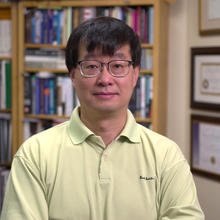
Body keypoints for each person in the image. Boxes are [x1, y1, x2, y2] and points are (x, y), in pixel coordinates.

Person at [1, 16, 204, 220]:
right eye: (91, 66)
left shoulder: (166, 155)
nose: (105, 79)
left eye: (117, 66)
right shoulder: (35, 154)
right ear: (72, 75)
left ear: (135, 74)